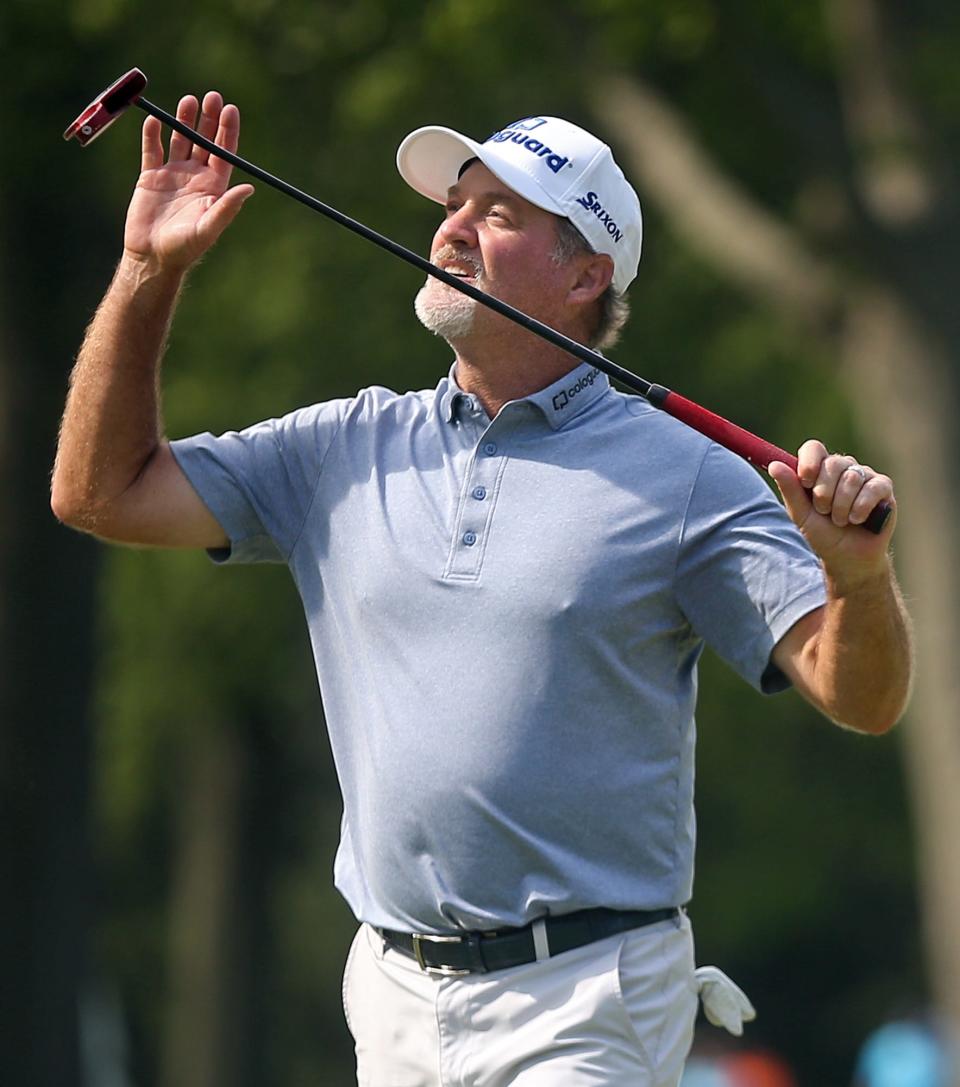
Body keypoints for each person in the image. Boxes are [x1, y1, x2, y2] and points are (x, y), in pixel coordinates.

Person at [51, 93, 913, 1087]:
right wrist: (147, 274)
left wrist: (857, 578)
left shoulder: (687, 475)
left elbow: (864, 696)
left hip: (588, 994)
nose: (452, 230)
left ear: (588, 273)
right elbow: (97, 492)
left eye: (498, 215)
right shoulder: (342, 445)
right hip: (393, 993)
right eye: (454, 207)